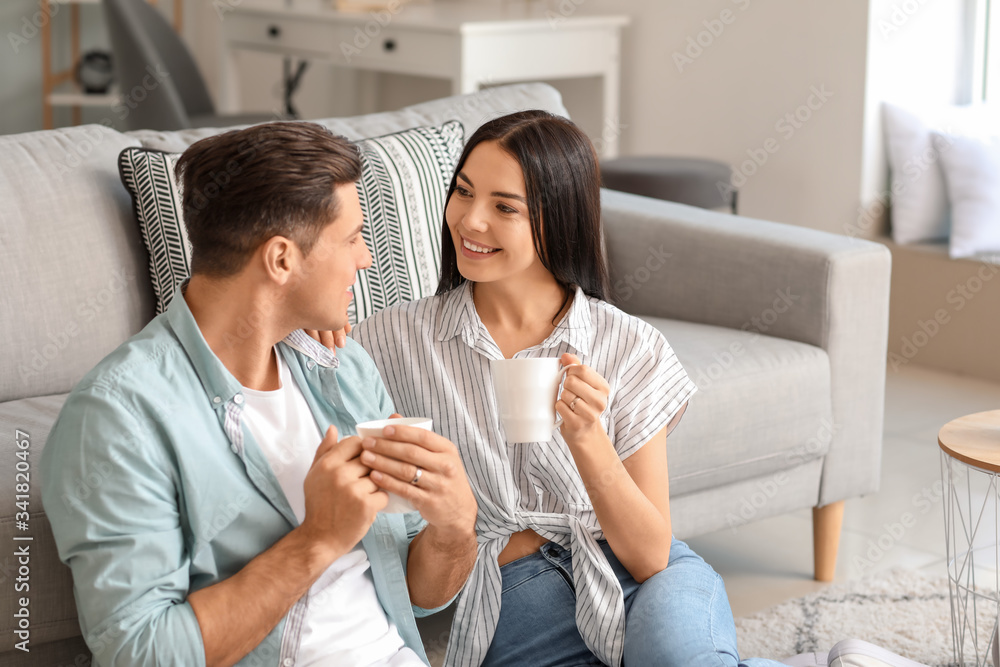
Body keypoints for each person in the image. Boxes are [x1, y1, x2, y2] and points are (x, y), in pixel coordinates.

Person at [349, 111, 925, 667]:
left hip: (642, 577)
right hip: (509, 599)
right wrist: (320, 331)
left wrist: (589, 442)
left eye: (505, 207)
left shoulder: (629, 344)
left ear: (558, 219)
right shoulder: (392, 343)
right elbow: (418, 583)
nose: (471, 221)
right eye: (464, 192)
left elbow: (651, 555)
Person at [39, 122, 478, 667]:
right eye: (351, 238)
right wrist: (317, 539)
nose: (365, 258)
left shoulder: (341, 367)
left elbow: (418, 593)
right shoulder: (118, 418)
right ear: (281, 260)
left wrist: (456, 526)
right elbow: (142, 652)